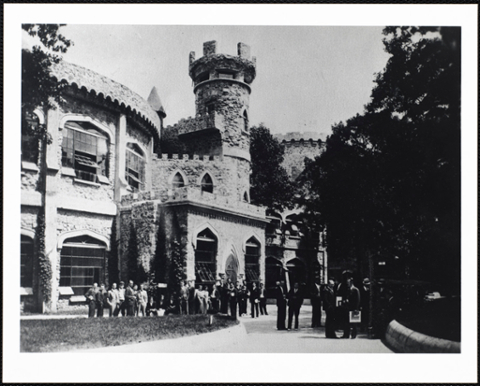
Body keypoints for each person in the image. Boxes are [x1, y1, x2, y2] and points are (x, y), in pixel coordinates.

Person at [337, 272, 361, 339]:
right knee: (346, 322)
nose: (347, 283)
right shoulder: (347, 289)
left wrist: (356, 308)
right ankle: (346, 334)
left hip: (353, 308)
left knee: (354, 322)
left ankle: (354, 334)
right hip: (347, 308)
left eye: (349, 282)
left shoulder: (355, 290)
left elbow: (357, 300)